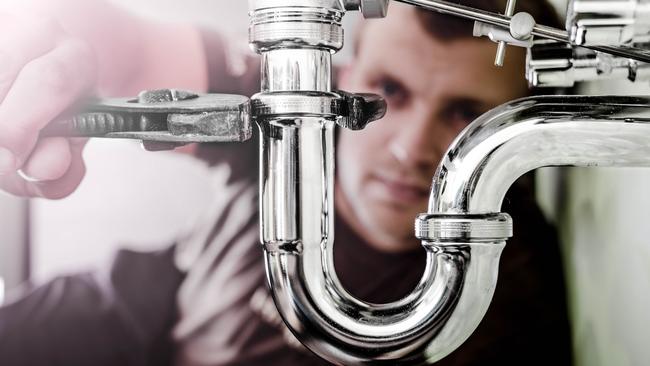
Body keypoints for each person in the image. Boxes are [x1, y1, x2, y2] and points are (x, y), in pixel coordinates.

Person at [0, 0, 573, 365]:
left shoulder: (512, 289)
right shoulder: (292, 108)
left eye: (464, 115)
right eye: (389, 92)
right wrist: (38, 45)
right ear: (344, 78)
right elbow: (116, 43)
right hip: (132, 321)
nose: (409, 148)